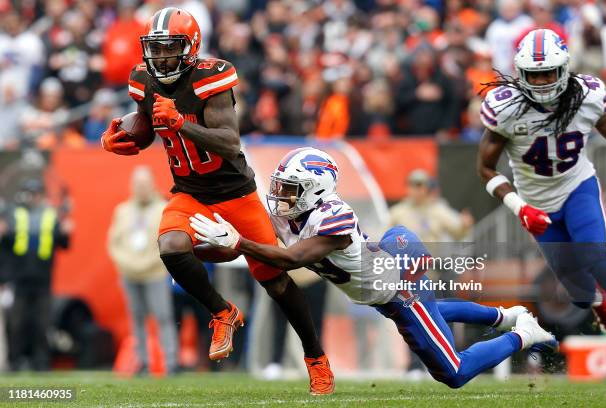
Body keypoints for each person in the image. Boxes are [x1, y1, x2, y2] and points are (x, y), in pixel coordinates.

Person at [100, 8, 333, 394]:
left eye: (168, 49)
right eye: (154, 50)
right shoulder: (144, 80)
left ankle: (316, 358)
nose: (159, 59)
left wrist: (181, 124)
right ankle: (223, 312)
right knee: (170, 247)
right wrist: (123, 138)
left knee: (275, 283)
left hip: (235, 193)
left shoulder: (211, 77)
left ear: (190, 49)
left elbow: (229, 142)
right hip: (191, 193)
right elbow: (145, 127)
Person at [190, 147, 558, 389]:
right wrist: (200, 251)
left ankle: (523, 332)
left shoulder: (332, 217)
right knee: (433, 310)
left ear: (315, 190)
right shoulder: (290, 214)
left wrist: (236, 241)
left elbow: (293, 259)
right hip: (383, 276)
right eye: (281, 187)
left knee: (452, 372)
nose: (281, 196)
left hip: (399, 282)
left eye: (290, 189)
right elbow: (259, 250)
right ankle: (505, 317)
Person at [477, 28, 606, 336]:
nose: (540, 82)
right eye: (532, 75)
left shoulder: (588, 96)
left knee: (595, 259)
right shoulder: (506, 107)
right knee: (578, 294)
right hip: (535, 204)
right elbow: (485, 169)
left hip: (577, 186)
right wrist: (519, 207)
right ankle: (598, 304)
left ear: (563, 68)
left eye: (548, 73)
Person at [107, 166, 178, 376]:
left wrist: (148, 262)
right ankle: (143, 361)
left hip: (154, 272)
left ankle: (170, 361)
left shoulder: (163, 208)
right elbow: (113, 243)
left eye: (145, 184)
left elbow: (168, 242)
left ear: (152, 184)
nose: (141, 188)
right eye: (138, 184)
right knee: (136, 318)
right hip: (129, 273)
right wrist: (127, 263)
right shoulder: (123, 210)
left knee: (163, 316)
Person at [0, 179, 72, 370]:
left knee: (42, 323)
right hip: (19, 278)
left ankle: (41, 362)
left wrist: (66, 232)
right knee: (17, 323)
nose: (33, 197)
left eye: (37, 193)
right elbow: (6, 245)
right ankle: (16, 361)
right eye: (30, 193)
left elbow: (63, 244)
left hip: (43, 278)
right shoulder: (13, 214)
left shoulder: (50, 215)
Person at [388, 169, 473, 243]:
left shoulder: (438, 210)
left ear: (427, 188)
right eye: (413, 185)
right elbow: (384, 238)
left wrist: (464, 226)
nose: (417, 190)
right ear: (407, 188)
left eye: (420, 185)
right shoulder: (397, 212)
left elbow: (457, 234)